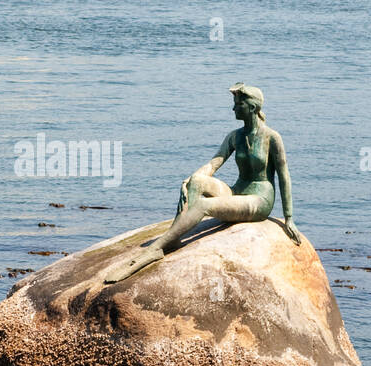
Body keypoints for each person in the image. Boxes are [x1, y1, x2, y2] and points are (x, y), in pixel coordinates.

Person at [104, 81, 300, 283]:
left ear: (252, 107)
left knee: (205, 205)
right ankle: (173, 239)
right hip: (236, 192)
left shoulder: (272, 137)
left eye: (238, 104)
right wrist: (189, 180)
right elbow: (213, 164)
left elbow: (284, 176)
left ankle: (156, 248)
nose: (233, 108)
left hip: (259, 200)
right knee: (197, 181)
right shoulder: (235, 136)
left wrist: (289, 217)